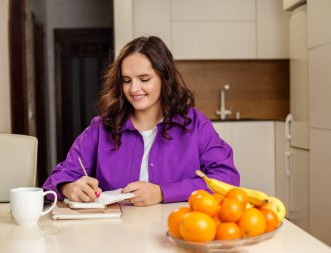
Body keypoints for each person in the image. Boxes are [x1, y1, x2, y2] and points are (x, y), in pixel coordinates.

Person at [43, 36, 239, 207]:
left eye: (144, 79)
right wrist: (69, 187)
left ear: (165, 78)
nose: (134, 88)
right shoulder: (100, 128)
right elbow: (58, 177)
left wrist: (163, 193)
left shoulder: (195, 124)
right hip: (114, 238)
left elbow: (227, 179)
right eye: (126, 80)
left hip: (178, 231)